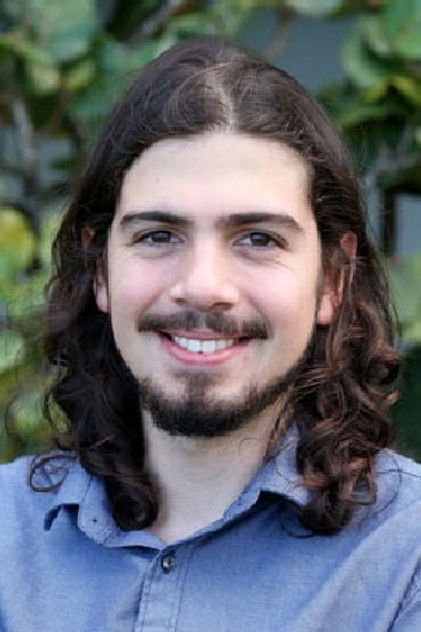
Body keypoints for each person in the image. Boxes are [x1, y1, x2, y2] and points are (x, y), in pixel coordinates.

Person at [0, 35, 420, 632]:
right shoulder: (9, 533)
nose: (202, 287)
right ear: (101, 270)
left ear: (332, 278)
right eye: (158, 235)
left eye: (258, 239)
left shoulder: (406, 558)